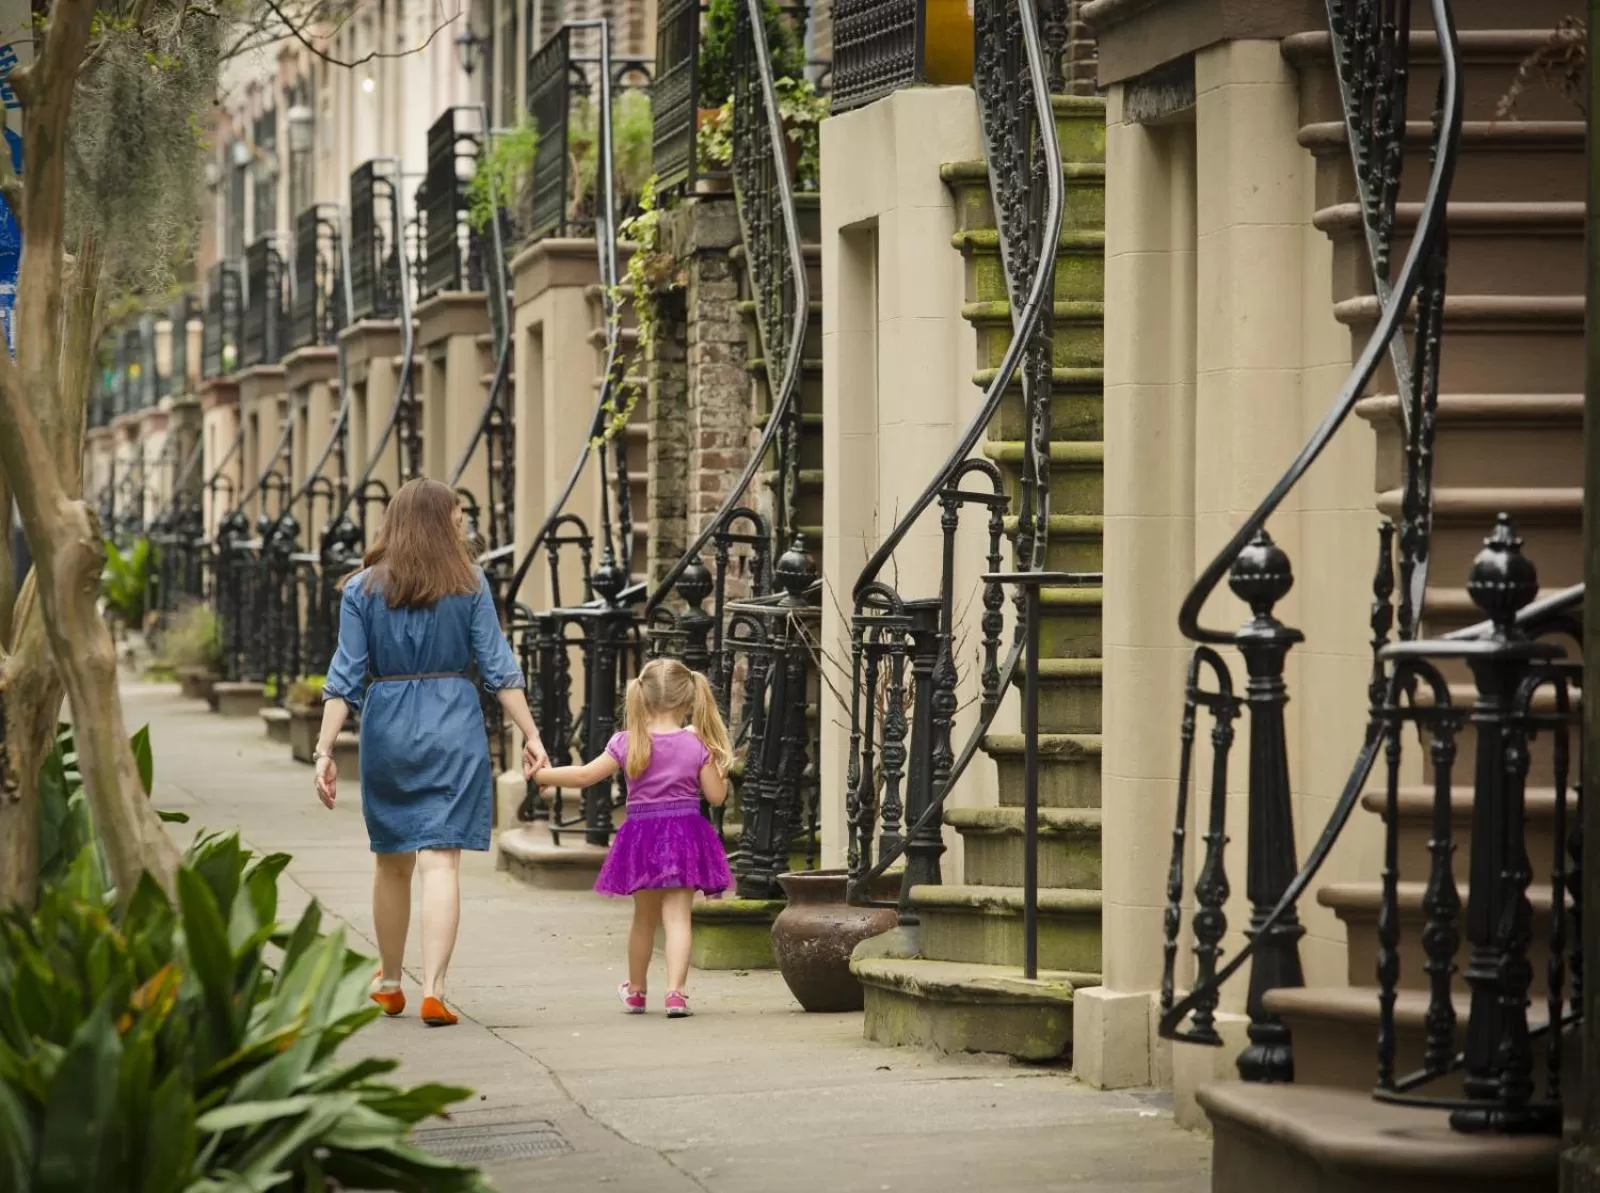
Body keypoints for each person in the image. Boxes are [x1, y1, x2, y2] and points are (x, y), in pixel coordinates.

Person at [315, 477, 548, 1027]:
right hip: (453, 722)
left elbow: (344, 676)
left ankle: (391, 981)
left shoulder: (361, 589)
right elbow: (497, 666)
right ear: (438, 520)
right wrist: (531, 734)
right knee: (441, 860)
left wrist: (325, 748)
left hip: (388, 726)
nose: (463, 520)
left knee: (391, 860)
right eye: (458, 512)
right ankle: (436, 990)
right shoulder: (469, 585)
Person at [534, 657, 733, 1018]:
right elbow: (717, 797)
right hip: (686, 835)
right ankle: (676, 994)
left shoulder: (628, 743)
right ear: (688, 700)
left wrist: (544, 775)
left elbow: (582, 776)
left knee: (644, 919)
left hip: (642, 837)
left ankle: (637, 991)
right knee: (678, 917)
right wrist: (721, 771)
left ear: (642, 698)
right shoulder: (697, 746)